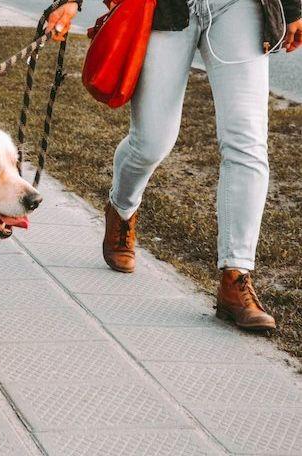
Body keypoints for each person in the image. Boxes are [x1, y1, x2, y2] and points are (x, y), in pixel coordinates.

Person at [46, 0, 302, 331]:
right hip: (166, 7)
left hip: (239, 7)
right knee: (151, 141)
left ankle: (235, 276)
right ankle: (122, 207)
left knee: (247, 142)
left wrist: (294, 9)